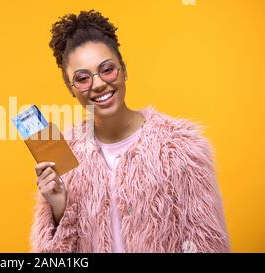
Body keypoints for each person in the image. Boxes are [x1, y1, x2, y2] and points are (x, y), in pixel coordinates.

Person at [30, 9, 230, 252]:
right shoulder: (65, 161)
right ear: (70, 88)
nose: (99, 84)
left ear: (124, 70)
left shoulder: (181, 148)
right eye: (82, 78)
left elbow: (209, 244)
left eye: (107, 69)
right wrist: (60, 211)